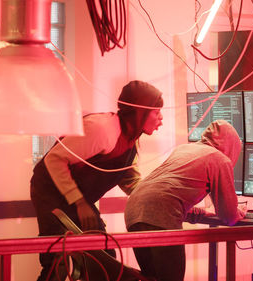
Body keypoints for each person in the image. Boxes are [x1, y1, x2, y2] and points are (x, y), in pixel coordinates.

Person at [30, 80, 164, 281]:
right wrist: (79, 202)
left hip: (78, 198)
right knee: (57, 261)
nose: (161, 118)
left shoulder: (129, 139)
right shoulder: (102, 130)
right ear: (140, 113)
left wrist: (152, 199)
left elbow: (128, 178)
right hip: (50, 190)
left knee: (103, 256)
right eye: (156, 112)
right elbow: (54, 159)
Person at [124, 119, 246, 281]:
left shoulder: (184, 149)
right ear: (232, 148)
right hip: (159, 215)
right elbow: (229, 216)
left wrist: (203, 214)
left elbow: (169, 192)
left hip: (133, 211)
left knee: (152, 277)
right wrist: (239, 212)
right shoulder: (219, 159)